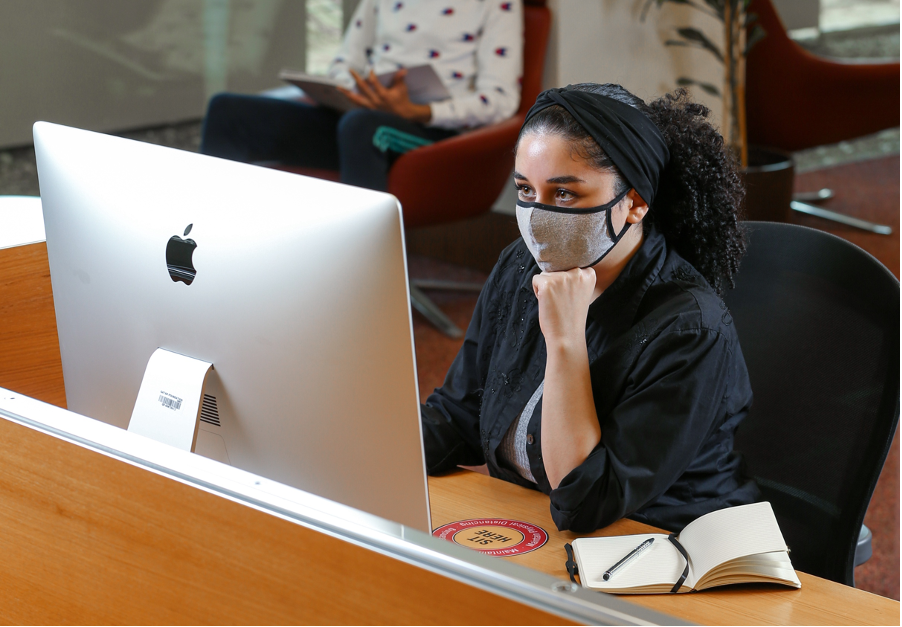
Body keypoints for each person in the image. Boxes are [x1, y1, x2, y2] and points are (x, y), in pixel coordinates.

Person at [420, 83, 760, 534]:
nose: (537, 219)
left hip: (659, 548)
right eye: (525, 190)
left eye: (564, 194)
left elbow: (583, 500)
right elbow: (460, 416)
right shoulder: (522, 265)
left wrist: (565, 340)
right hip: (536, 528)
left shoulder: (691, 327)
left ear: (634, 203)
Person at [200, 0, 523, 191]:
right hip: (357, 117)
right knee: (227, 111)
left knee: (362, 127)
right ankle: (206, 246)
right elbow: (344, 62)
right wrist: (349, 92)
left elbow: (500, 99)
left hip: (433, 133)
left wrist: (418, 112)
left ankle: (360, 278)